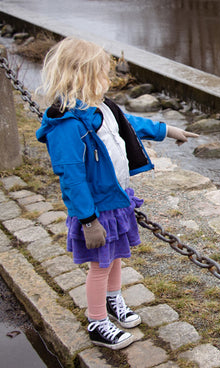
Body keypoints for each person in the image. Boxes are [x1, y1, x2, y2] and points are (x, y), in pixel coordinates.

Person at [35, 37, 198, 350]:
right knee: (100, 266)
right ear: (80, 77)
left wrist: (167, 130)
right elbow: (71, 177)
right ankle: (97, 322)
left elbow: (129, 123)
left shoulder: (102, 107)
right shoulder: (67, 125)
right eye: (101, 74)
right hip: (96, 209)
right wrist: (88, 219)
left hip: (116, 198)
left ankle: (113, 301)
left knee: (116, 258)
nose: (108, 80)